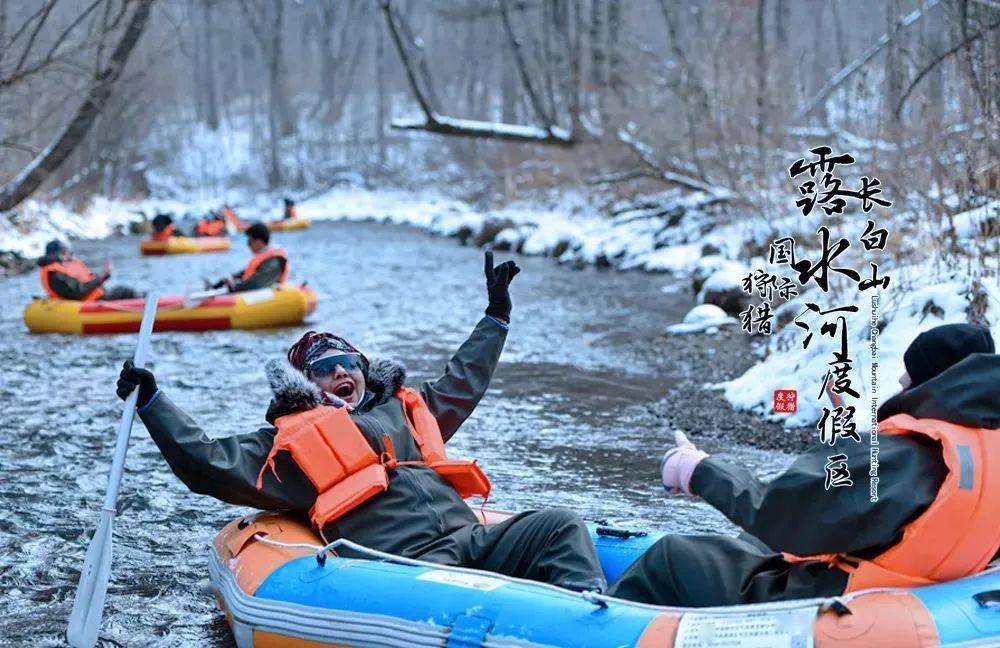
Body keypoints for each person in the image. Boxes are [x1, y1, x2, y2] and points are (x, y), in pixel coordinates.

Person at [116, 252, 607, 593]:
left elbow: (463, 380)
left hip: (471, 539)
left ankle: (595, 617)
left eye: (346, 362)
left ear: (362, 368)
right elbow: (206, 463)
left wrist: (496, 317)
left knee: (559, 525)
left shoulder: (405, 410)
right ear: (309, 388)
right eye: (323, 370)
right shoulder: (287, 448)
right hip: (407, 565)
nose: (339, 373)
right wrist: (152, 401)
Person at [609, 323, 999, 606]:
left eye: (907, 382)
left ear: (935, 384)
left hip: (836, 600)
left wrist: (698, 471)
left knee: (672, 557)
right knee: (751, 544)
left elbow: (779, 512)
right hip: (909, 587)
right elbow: (896, 510)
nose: (900, 389)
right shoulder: (980, 448)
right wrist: (852, 445)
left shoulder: (910, 455)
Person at [37, 239, 138, 301]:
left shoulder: (60, 268)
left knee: (124, 291)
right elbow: (79, 291)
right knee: (125, 291)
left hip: (94, 297)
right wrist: (101, 277)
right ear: (60, 253)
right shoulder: (56, 273)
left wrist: (104, 276)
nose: (69, 255)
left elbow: (84, 282)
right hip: (90, 301)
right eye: (66, 252)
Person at [208, 222, 287, 293]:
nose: (248, 245)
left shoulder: (273, 261)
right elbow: (247, 273)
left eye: (249, 242)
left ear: (259, 241)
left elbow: (257, 283)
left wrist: (234, 286)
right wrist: (230, 279)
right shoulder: (265, 258)